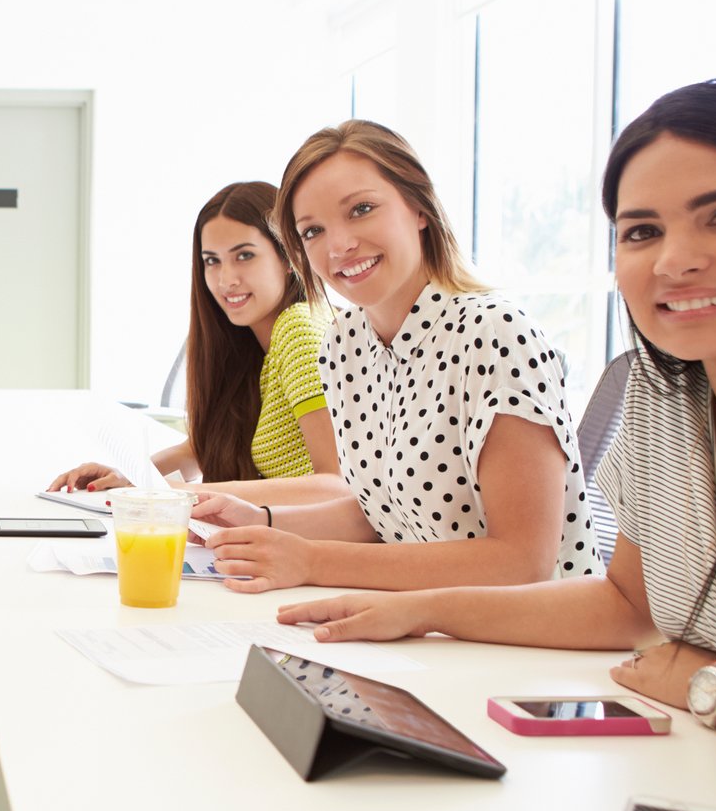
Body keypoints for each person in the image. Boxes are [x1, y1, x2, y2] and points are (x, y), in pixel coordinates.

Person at [278, 80, 716, 811]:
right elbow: (628, 605)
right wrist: (417, 610)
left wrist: (710, 684)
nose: (676, 260)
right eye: (642, 231)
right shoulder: (670, 387)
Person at [192, 120, 598, 590]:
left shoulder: (493, 333)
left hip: (527, 642)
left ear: (419, 207)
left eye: (361, 209)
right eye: (312, 231)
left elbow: (523, 560)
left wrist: (314, 562)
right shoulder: (344, 345)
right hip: (427, 625)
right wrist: (261, 519)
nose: (339, 245)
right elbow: (382, 512)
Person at [47, 181, 338, 494]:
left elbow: (333, 484)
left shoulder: (300, 328)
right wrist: (128, 476)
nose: (226, 280)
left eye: (244, 256)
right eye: (212, 261)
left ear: (288, 257)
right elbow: (202, 450)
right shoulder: (253, 343)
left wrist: (183, 495)